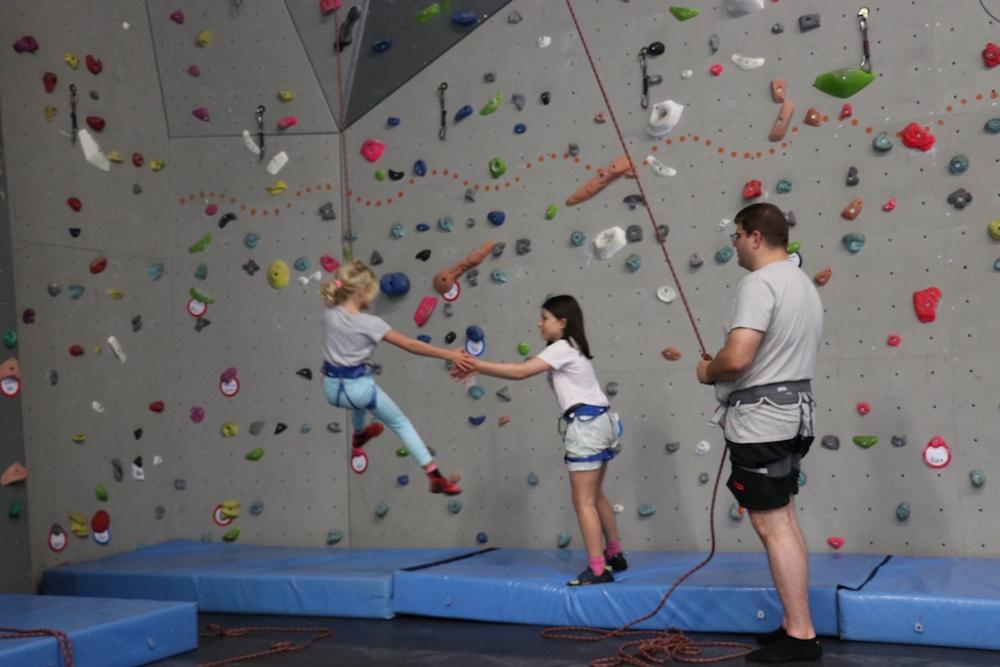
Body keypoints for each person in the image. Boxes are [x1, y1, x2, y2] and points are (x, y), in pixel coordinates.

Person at [696, 203, 824, 663]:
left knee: (772, 524)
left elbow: (737, 358)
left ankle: (801, 635)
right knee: (783, 518)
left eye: (736, 236)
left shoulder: (759, 283)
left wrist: (707, 370)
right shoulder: (801, 283)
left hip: (764, 420)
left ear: (754, 237)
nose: (733, 245)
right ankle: (795, 624)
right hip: (795, 414)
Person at [452, 295, 626, 586]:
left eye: (544, 318)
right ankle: (615, 553)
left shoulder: (562, 347)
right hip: (603, 423)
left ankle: (598, 570)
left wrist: (476, 365)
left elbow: (521, 373)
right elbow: (532, 368)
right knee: (595, 495)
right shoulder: (574, 347)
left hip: (586, 426)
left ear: (562, 322)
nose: (539, 323)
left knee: (583, 501)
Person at [320, 260, 472, 495]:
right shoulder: (371, 324)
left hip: (331, 389)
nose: (372, 299)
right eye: (370, 293)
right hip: (358, 391)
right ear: (360, 291)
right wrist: (449, 354)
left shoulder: (329, 312)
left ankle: (359, 436)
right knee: (401, 424)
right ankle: (434, 476)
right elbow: (411, 345)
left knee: (359, 400)